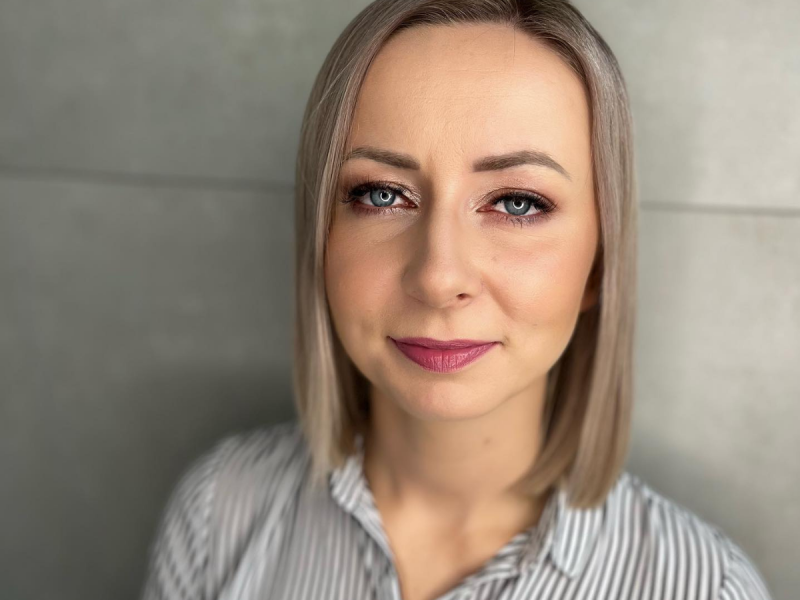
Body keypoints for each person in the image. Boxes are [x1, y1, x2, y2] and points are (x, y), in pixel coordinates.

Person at [139, 1, 774, 599]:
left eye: (517, 203)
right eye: (382, 195)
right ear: (322, 236)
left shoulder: (705, 588)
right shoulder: (218, 513)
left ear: (598, 264)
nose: (439, 277)